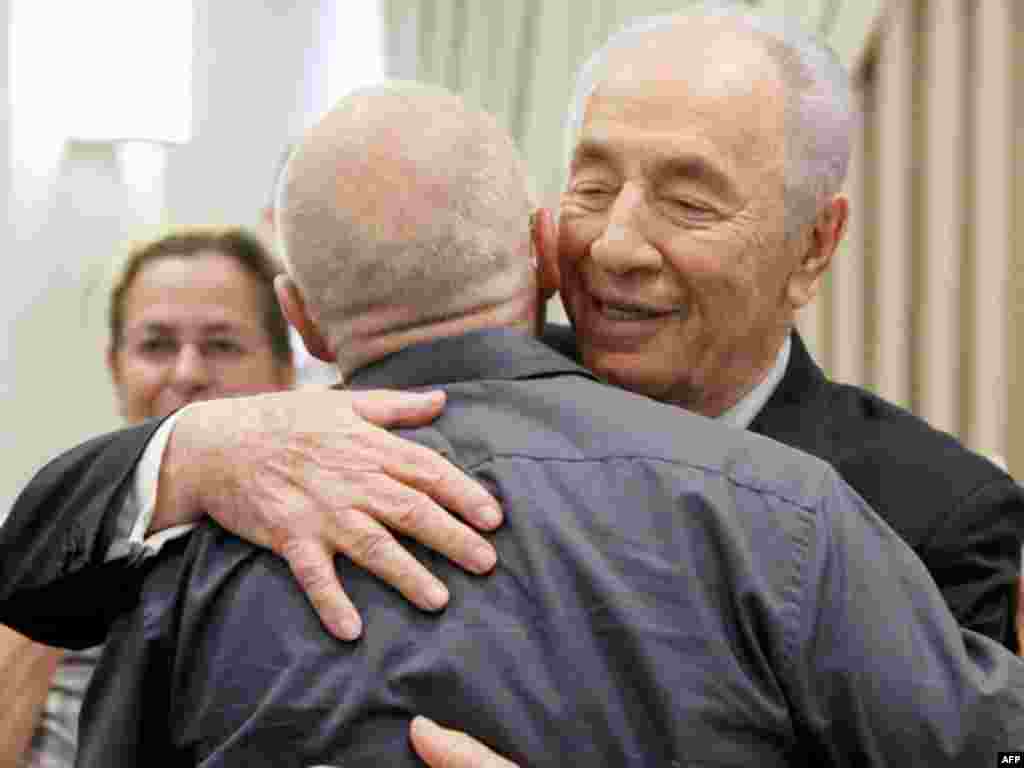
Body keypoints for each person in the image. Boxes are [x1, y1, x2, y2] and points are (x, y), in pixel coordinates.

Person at [1, 1, 1022, 759]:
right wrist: (193, 447)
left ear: (813, 245)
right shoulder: (257, 479)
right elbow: (32, 575)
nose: (617, 244)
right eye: (592, 183)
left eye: (689, 200)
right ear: (539, 239)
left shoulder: (914, 514)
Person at [0, 227, 295, 768]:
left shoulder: (331, 537)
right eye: (156, 345)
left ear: (284, 370)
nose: (188, 373)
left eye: (222, 345)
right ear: (115, 367)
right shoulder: (39, 539)